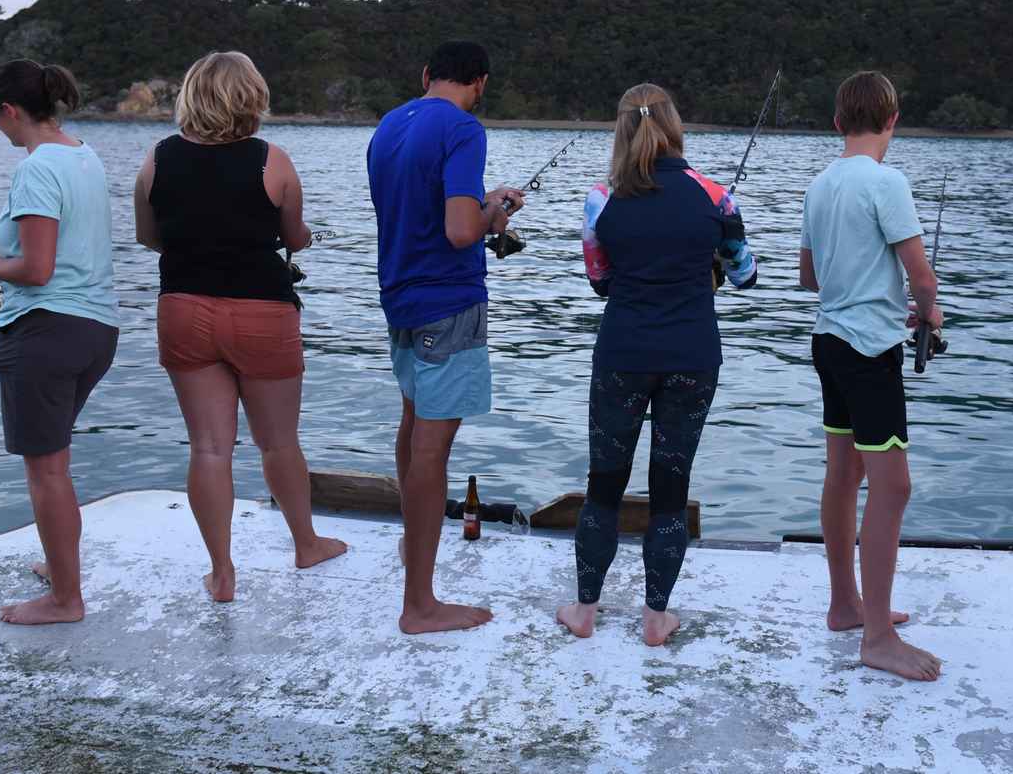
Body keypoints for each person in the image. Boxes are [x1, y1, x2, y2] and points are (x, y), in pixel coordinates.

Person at [133, 51, 348, 602]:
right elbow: (295, 235)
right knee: (277, 442)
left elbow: (149, 237)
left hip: (182, 309)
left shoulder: (156, 159)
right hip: (261, 312)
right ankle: (306, 544)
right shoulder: (272, 160)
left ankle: (223, 571)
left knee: (209, 448)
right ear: (252, 97)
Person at [555, 84, 758, 646]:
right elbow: (746, 276)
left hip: (622, 352)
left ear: (621, 129)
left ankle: (586, 612)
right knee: (670, 487)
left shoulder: (601, 200)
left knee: (604, 484)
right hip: (693, 355)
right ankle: (654, 620)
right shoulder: (717, 197)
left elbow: (600, 282)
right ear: (675, 127)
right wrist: (715, 254)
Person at [365, 40, 522, 634]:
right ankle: (420, 605)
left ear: (426, 73)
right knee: (434, 449)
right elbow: (460, 231)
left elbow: (418, 213)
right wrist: (492, 210)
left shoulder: (388, 125)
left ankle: (415, 544)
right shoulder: (463, 129)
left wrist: (483, 208)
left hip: (399, 297)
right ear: (479, 83)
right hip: (447, 303)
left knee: (412, 425)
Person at [0, 59, 120, 626]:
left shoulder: (36, 169)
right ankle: (59, 567)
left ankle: (65, 600)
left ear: (9, 111)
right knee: (57, 462)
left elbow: (38, 267)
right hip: (97, 329)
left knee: (46, 471)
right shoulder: (84, 155)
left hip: (47, 331)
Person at [798, 70, 943, 682]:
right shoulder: (888, 183)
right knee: (894, 486)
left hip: (829, 342)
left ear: (838, 123)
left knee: (843, 473)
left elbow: (809, 278)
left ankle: (845, 605)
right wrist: (928, 313)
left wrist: (859, 286)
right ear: (893, 120)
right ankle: (878, 636)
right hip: (869, 352)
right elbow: (922, 274)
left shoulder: (819, 185)